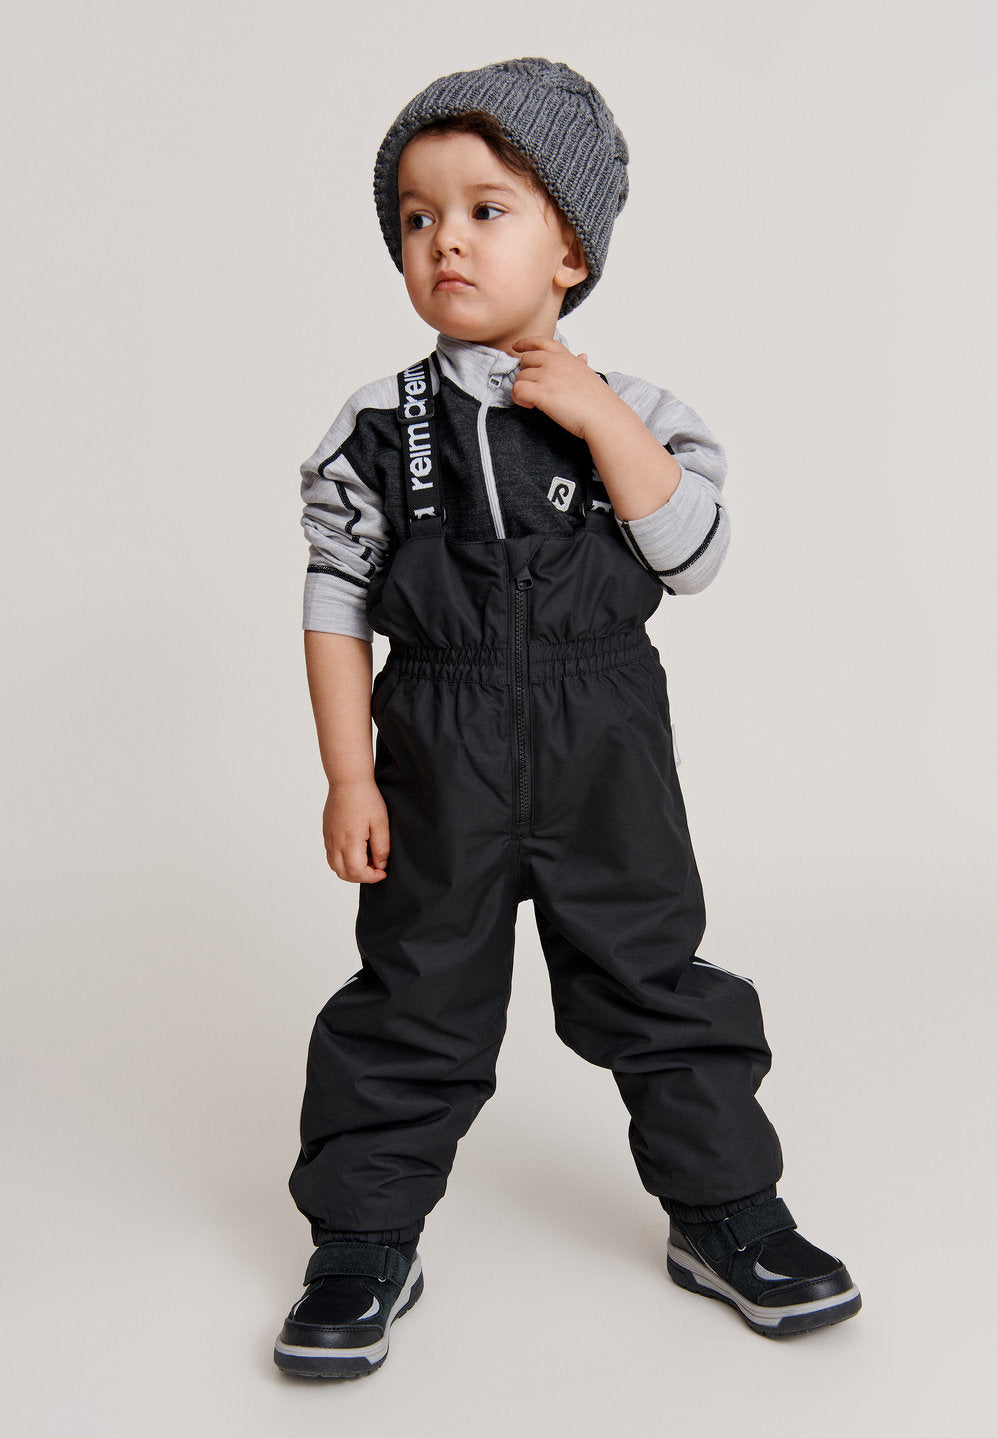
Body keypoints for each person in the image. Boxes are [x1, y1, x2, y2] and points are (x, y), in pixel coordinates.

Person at [274, 57, 860, 1380]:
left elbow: (694, 554)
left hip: (605, 742)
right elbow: (335, 599)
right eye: (417, 217)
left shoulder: (640, 412)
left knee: (656, 976)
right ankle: (363, 1237)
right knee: (414, 993)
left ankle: (728, 1212)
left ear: (572, 253)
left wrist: (595, 415)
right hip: (438, 745)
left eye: (487, 209)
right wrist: (349, 775)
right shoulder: (376, 427)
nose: (446, 239)